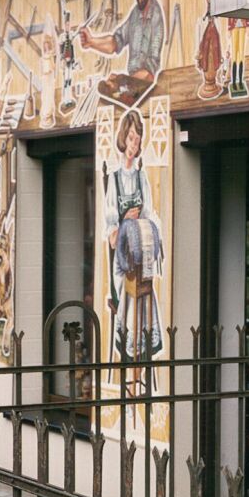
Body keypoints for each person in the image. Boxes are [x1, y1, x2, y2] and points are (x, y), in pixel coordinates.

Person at [105, 110, 163, 361]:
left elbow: (150, 213)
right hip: (121, 258)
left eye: (137, 140)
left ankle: (144, 347)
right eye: (130, 138)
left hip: (140, 252)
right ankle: (129, 350)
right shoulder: (114, 180)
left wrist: (147, 225)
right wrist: (123, 221)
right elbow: (110, 233)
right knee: (129, 287)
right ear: (123, 139)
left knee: (146, 288)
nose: (133, 145)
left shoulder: (141, 178)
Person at [79, 0, 164, 105]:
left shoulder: (156, 18)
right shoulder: (134, 15)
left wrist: (121, 83)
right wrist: (91, 41)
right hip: (131, 86)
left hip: (147, 93)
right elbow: (115, 42)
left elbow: (150, 73)